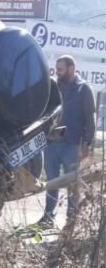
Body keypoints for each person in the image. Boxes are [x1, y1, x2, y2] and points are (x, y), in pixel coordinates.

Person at [38, 55, 95, 228]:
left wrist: (87, 144)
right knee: (51, 182)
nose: (57, 73)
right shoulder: (54, 87)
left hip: (72, 146)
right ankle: (48, 216)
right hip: (52, 145)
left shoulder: (84, 89)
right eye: (56, 69)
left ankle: (71, 220)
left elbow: (90, 118)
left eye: (60, 69)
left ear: (71, 69)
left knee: (72, 184)